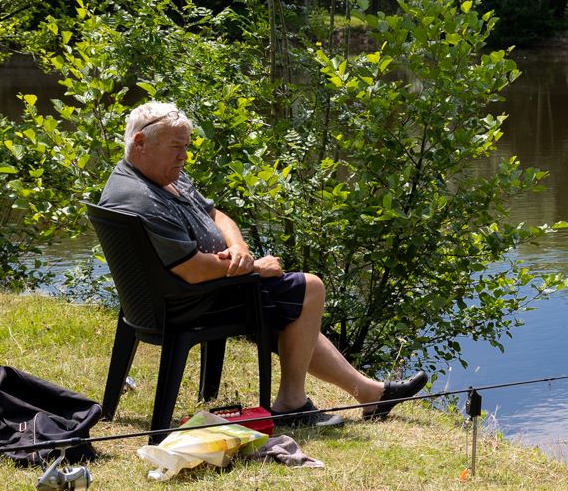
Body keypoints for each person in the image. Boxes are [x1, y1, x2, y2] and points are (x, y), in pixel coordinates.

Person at [98, 100, 426, 428]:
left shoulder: (158, 175)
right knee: (309, 289)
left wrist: (239, 247)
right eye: (176, 147)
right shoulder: (140, 197)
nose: (184, 156)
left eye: (185, 147)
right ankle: (292, 404)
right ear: (140, 142)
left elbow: (216, 215)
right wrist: (253, 267)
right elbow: (193, 269)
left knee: (293, 302)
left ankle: (371, 393)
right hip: (193, 300)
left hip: (195, 291)